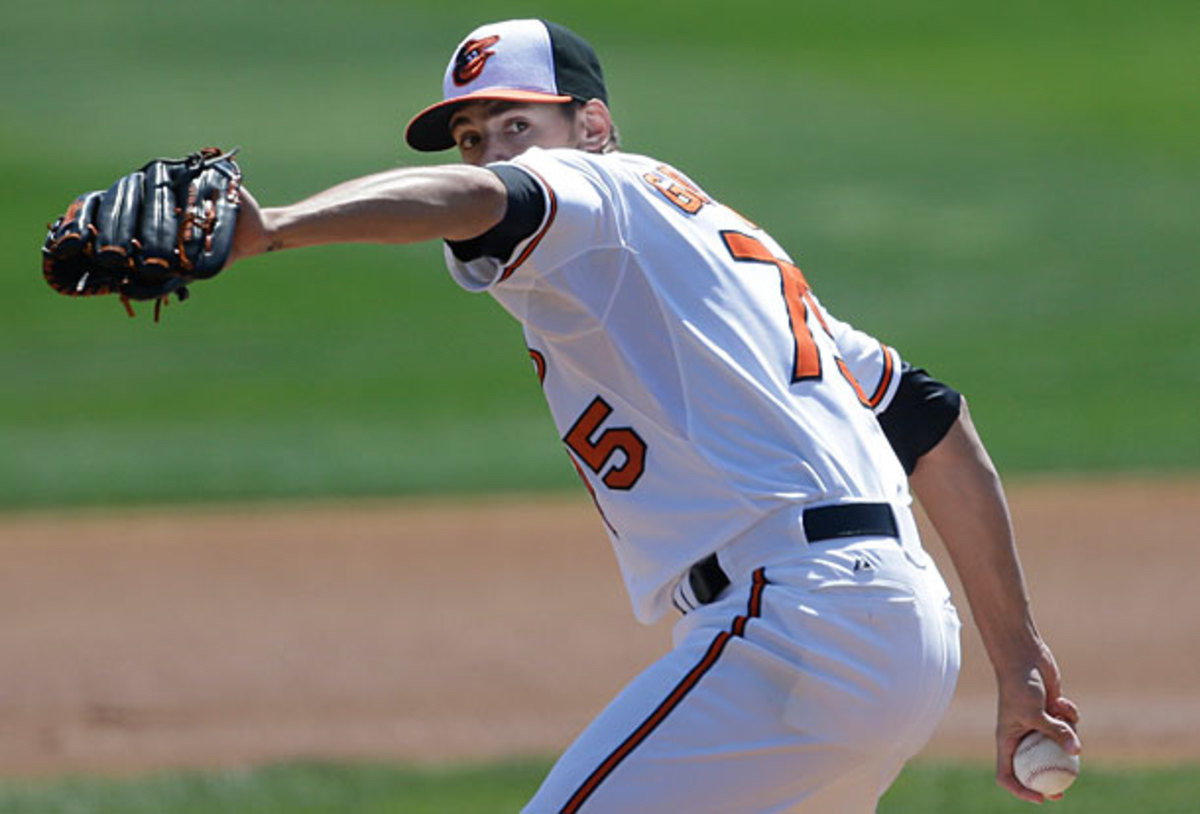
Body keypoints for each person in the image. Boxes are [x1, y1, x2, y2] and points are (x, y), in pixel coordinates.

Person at [229, 19, 1080, 813]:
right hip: (895, 631)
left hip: (797, 624)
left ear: (592, 125)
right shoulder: (712, 247)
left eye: (515, 125)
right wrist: (1018, 662)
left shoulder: (597, 188)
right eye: (473, 137)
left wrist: (277, 229)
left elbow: (487, 200)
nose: (493, 152)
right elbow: (931, 423)